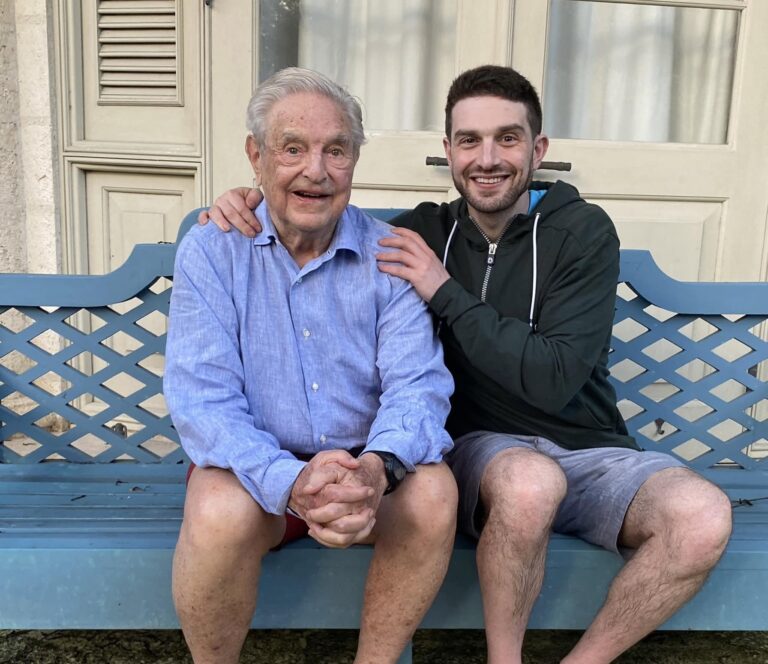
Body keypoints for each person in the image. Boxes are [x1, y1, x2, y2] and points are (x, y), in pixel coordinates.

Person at [200, 65, 733, 664]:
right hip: (486, 452)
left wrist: (444, 290)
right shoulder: (421, 232)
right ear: (448, 151)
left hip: (590, 451)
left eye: (507, 138)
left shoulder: (582, 232)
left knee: (703, 517)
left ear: (538, 149)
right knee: (530, 484)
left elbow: (553, 380)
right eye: (469, 141)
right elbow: (317, 206)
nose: (488, 159)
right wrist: (245, 199)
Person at [165, 67, 458, 664]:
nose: (316, 171)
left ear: (355, 160)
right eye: (292, 148)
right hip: (253, 472)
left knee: (433, 493)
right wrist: (291, 481)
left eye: (336, 150)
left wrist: (374, 470)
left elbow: (417, 387)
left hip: (362, 472)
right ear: (256, 156)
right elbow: (203, 401)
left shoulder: (390, 254)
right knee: (217, 509)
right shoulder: (214, 249)